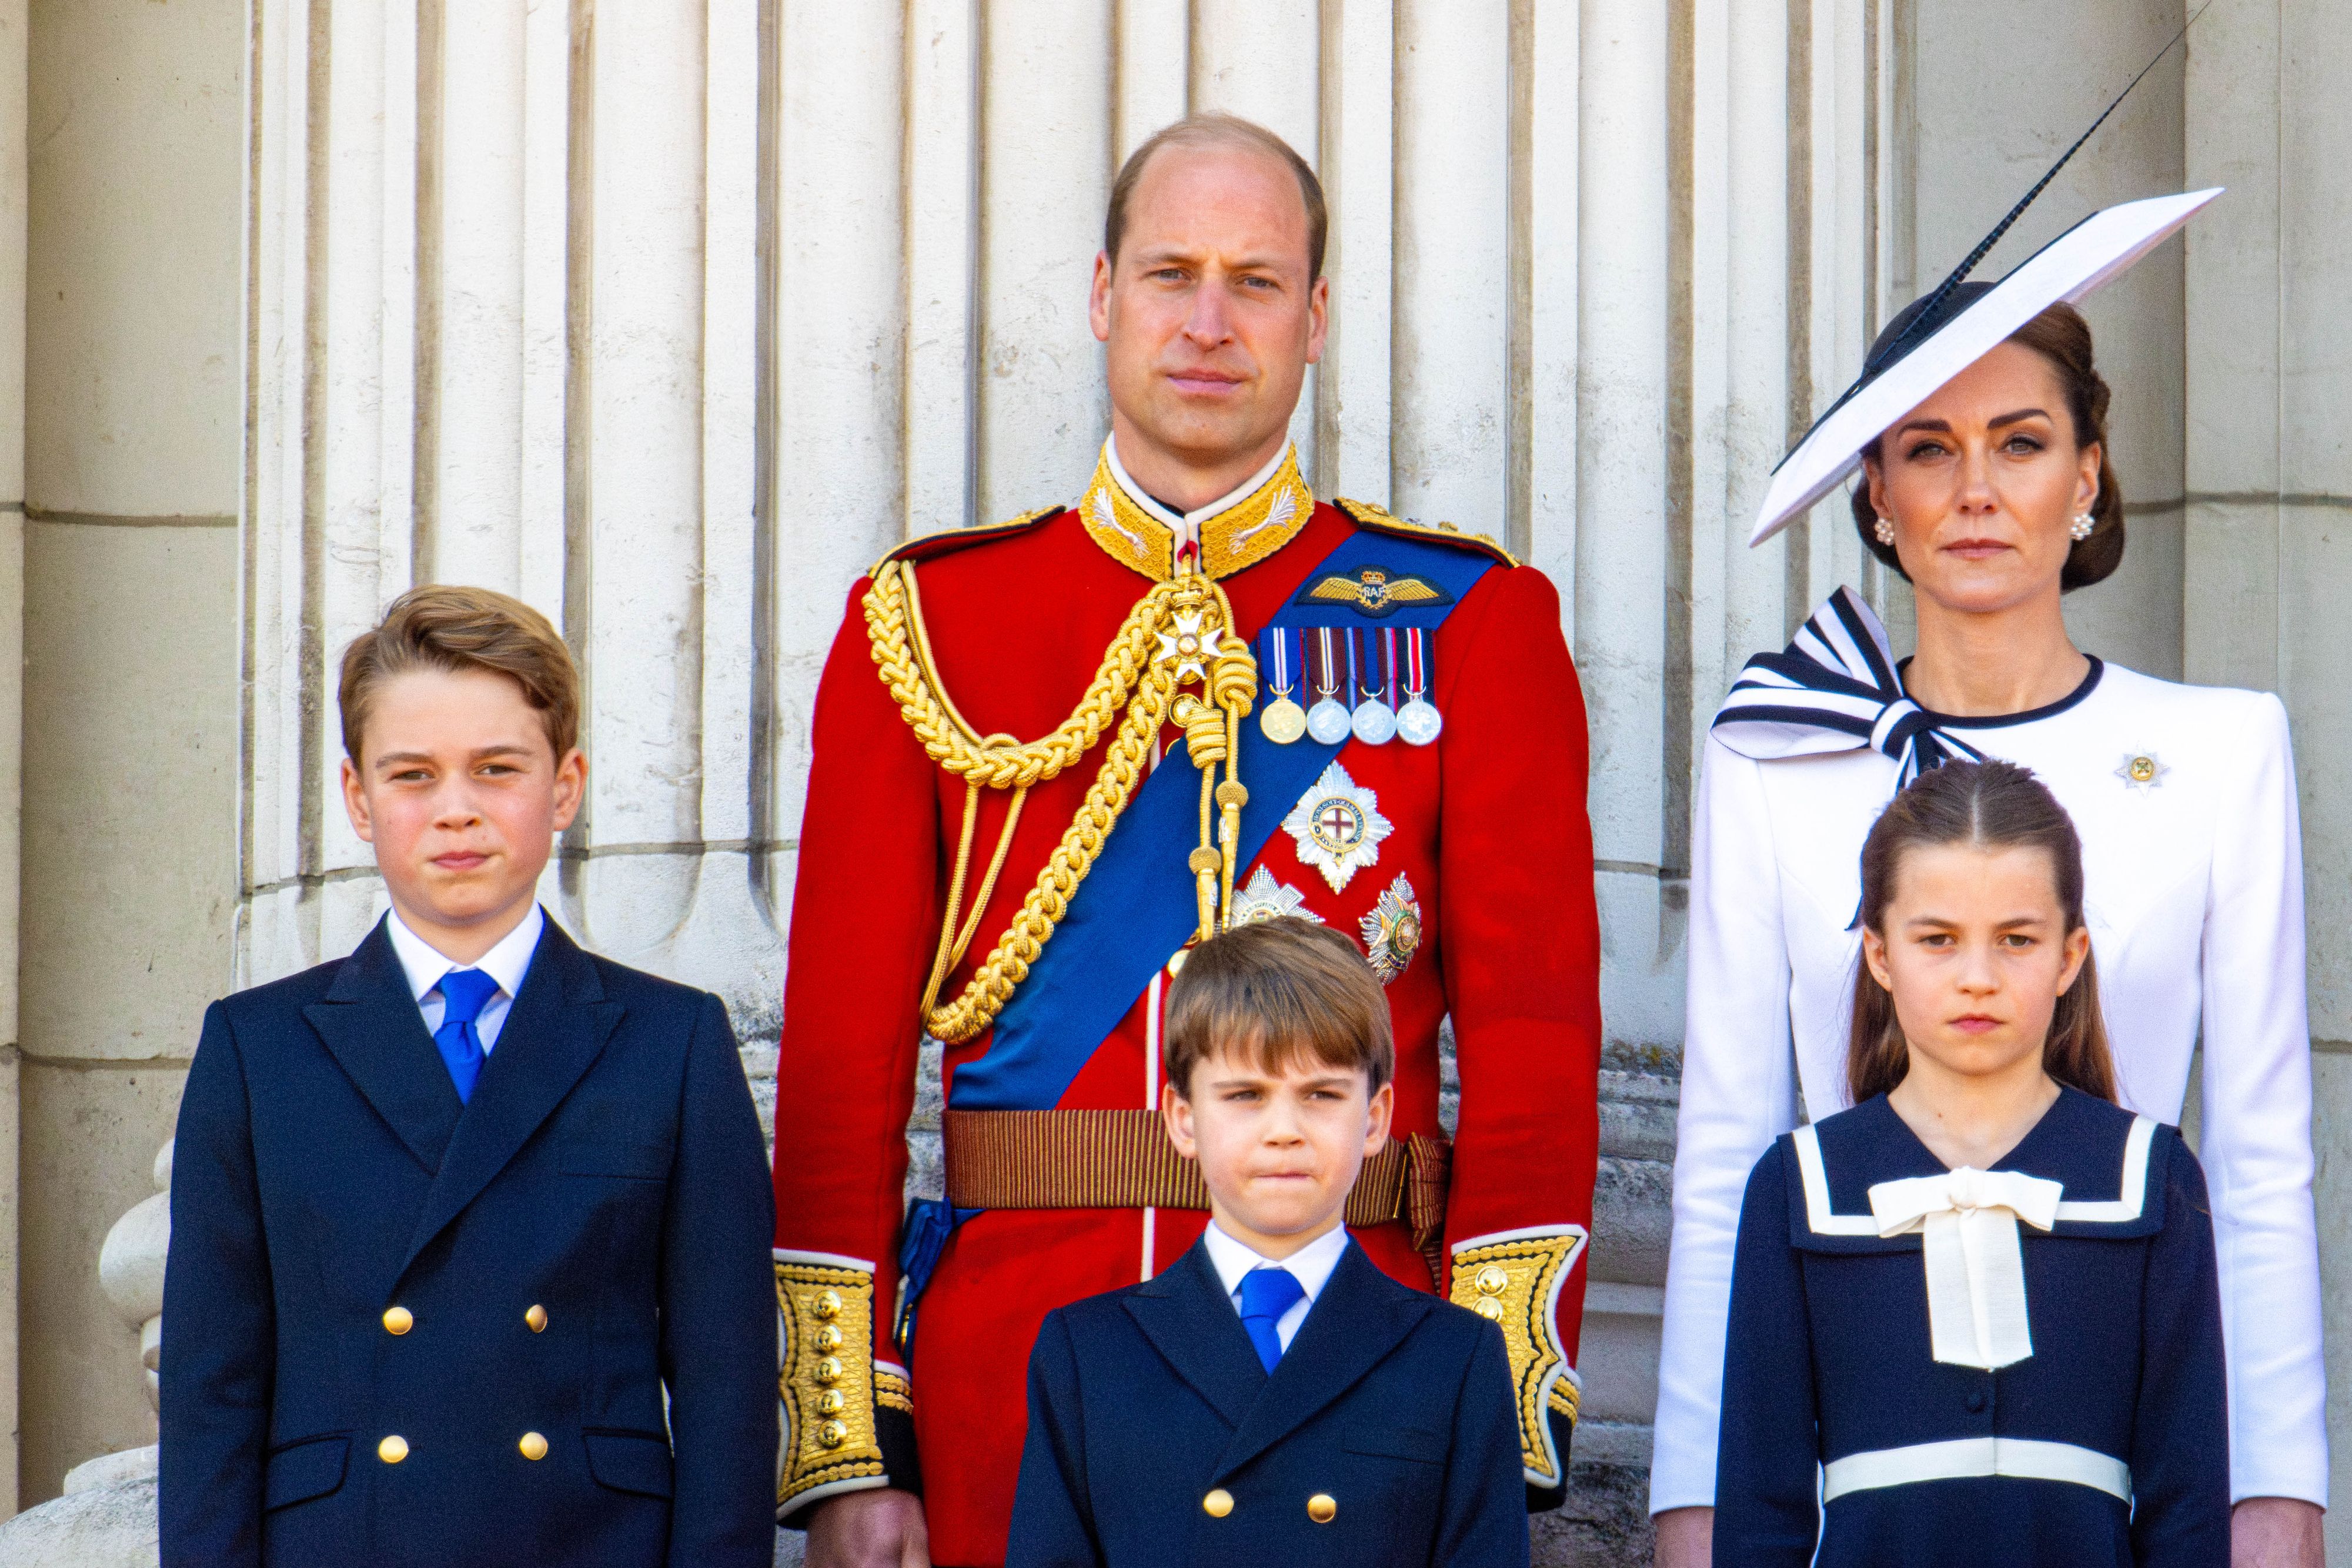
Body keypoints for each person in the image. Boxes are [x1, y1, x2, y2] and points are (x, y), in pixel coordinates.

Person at [775, 112, 1602, 1568]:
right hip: (1007, 1376)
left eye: (1255, 281)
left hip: (1357, 1372)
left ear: (1314, 317)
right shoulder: (929, 624)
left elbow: (1535, 1060)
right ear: (1104, 297)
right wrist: (850, 1443)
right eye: (1171, 275)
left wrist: (1493, 1408)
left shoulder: (1470, 624)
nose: (1209, 322)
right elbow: (840, 1072)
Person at [1653, 194, 2326, 1564]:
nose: (1973, 489)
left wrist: (2276, 1491)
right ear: (1874, 494)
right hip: (1858, 1451)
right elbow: (1722, 1152)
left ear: (2085, 477)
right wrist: (1692, 1499)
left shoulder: (2219, 751)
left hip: (2123, 1425)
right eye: (1927, 448)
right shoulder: (1775, 754)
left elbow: (2261, 1165)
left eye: (2018, 443)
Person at [158, 586, 779, 1567]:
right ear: (358, 797)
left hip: (590, 1546)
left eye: (497, 768)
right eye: (413, 774)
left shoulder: (671, 1042)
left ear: (564, 786)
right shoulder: (258, 1048)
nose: (457, 809)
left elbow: (726, 1387)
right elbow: (211, 1392)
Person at [1713, 760, 2227, 1567]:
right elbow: (1758, 1510)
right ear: (1880, 954)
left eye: (2017, 940)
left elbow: (2187, 1509)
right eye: (1938, 940)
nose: (1978, 978)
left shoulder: (2149, 1175)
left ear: (2070, 955)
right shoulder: (1800, 1184)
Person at [1005, 918, 1529, 1567]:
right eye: (1246, 1095)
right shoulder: (1087, 1353)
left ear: (1374, 1119)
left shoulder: (1456, 1357)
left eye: (1321, 1094)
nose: (1285, 1129)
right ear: (1183, 1119)